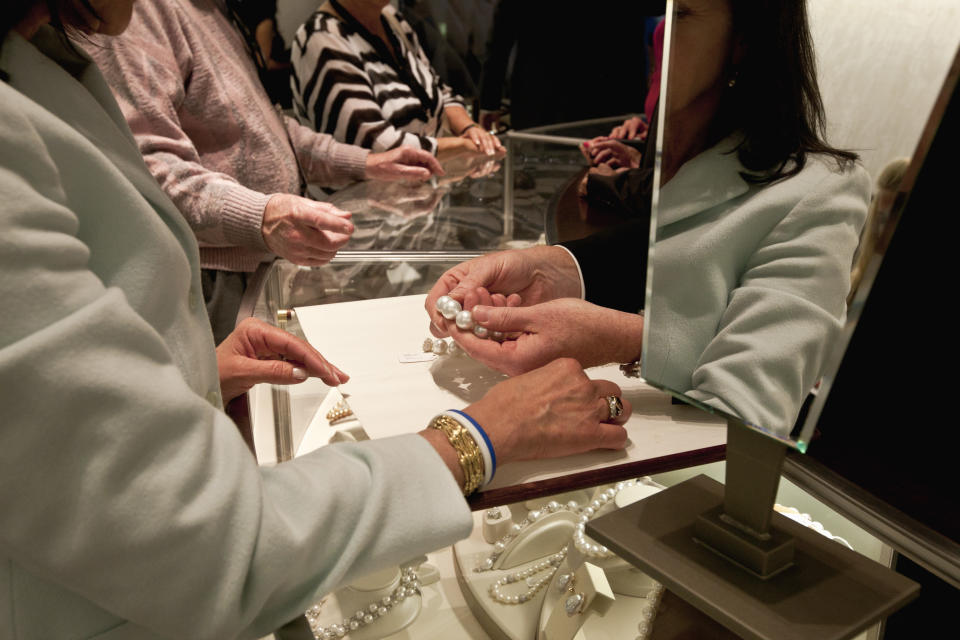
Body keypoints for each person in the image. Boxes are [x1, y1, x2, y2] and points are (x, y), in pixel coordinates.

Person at [0, 2, 631, 637]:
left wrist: (196, 371)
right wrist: (478, 438)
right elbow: (203, 544)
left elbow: (269, 127)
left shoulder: (48, 56)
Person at [426, 0, 869, 436]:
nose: (660, 33)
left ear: (746, 40)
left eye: (683, 13)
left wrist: (625, 338)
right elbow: (673, 245)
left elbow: (746, 414)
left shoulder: (823, 189)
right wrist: (550, 266)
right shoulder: (684, 152)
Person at [83, 0, 446, 341]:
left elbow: (266, 128)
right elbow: (149, 164)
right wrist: (261, 216)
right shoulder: (141, 13)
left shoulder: (215, 10)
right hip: (212, 277)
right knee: (239, 404)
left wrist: (364, 162)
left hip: (261, 262)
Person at [290, 0, 502, 156]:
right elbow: (371, 143)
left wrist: (470, 129)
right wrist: (461, 147)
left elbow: (439, 91)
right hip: (362, 209)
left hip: (416, 201)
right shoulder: (321, 38)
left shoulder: (391, 19)